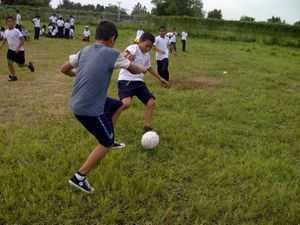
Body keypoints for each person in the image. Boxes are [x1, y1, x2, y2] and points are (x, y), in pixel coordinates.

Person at [60, 20, 147, 194]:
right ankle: (79, 177)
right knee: (105, 144)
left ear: (96, 35)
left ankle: (110, 135)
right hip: (88, 109)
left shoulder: (85, 50)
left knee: (118, 105)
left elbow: (63, 68)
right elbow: (134, 69)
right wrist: (143, 69)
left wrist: (76, 74)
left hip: (78, 101)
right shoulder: (113, 53)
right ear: (112, 38)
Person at [118, 32, 170, 134]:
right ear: (140, 41)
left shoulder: (146, 55)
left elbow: (149, 68)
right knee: (126, 104)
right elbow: (126, 53)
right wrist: (127, 57)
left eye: (150, 47)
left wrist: (160, 78)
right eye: (146, 46)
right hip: (126, 80)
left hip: (139, 82)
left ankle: (147, 127)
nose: (147, 49)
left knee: (151, 102)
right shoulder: (134, 48)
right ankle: (109, 111)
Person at [0, 16, 35, 81]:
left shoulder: (16, 31)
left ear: (14, 23)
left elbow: (22, 39)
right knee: (9, 62)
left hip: (19, 51)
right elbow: (4, 39)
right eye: (9, 21)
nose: (10, 23)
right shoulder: (6, 32)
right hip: (11, 50)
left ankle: (29, 64)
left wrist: (18, 48)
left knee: (20, 65)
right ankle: (14, 76)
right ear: (6, 23)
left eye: (12, 21)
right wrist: (1, 45)